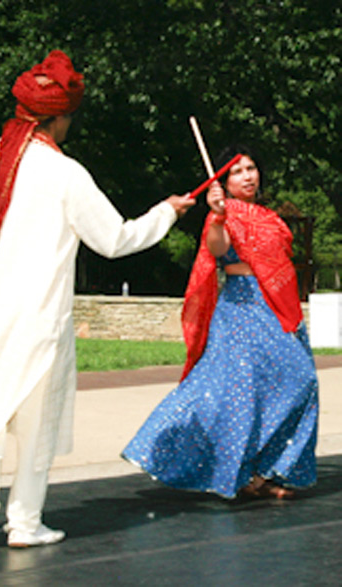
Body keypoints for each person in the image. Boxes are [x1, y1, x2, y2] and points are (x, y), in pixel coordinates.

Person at [0, 50, 195, 548]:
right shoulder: (65, 173)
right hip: (38, 317)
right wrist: (168, 212)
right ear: (57, 117)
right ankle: (25, 523)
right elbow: (115, 239)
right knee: (35, 422)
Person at [122, 145, 318, 500]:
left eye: (251, 168)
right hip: (241, 308)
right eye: (238, 171)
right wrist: (215, 215)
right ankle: (233, 472)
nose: (248, 176)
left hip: (276, 308)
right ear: (224, 181)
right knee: (238, 394)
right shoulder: (224, 214)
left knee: (301, 381)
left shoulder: (269, 217)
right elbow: (216, 248)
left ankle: (270, 469)